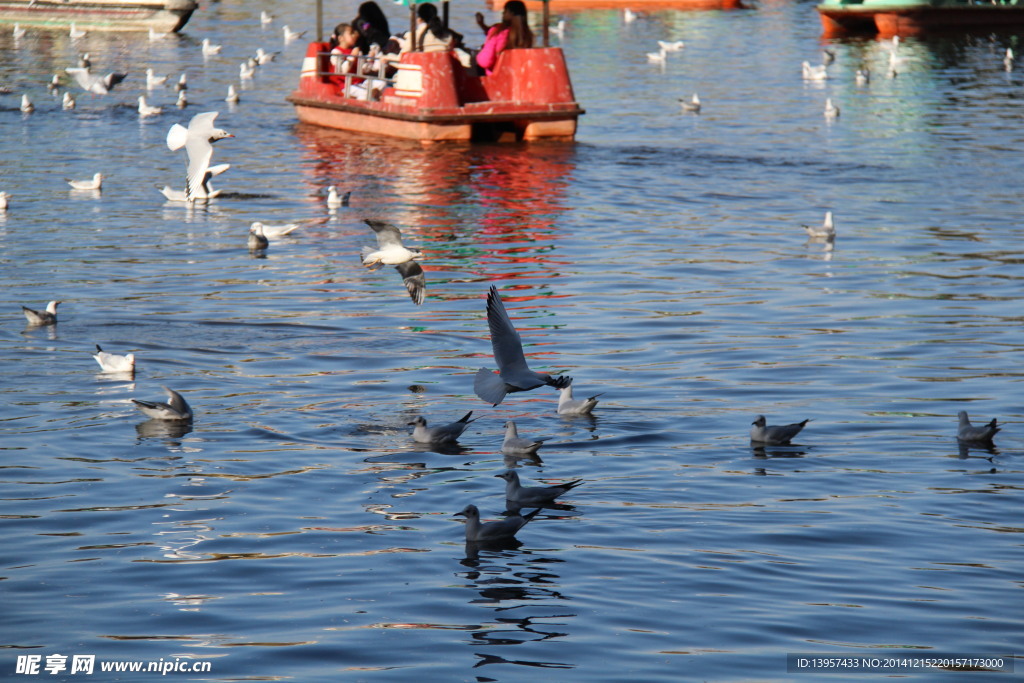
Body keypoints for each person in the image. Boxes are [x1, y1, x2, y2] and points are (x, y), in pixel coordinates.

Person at [474, 0, 533, 76]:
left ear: (511, 14)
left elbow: (485, 61)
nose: (503, 13)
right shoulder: (527, 35)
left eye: (505, 11)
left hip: (496, 78)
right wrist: (482, 25)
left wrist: (478, 55)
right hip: (518, 75)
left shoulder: (498, 31)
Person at [327, 23, 368, 99]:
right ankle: (360, 108)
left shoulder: (355, 50)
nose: (354, 35)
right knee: (366, 94)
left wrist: (370, 62)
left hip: (359, 82)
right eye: (351, 33)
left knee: (381, 84)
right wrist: (352, 56)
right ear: (341, 38)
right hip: (345, 85)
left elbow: (363, 69)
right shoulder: (336, 52)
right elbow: (343, 71)